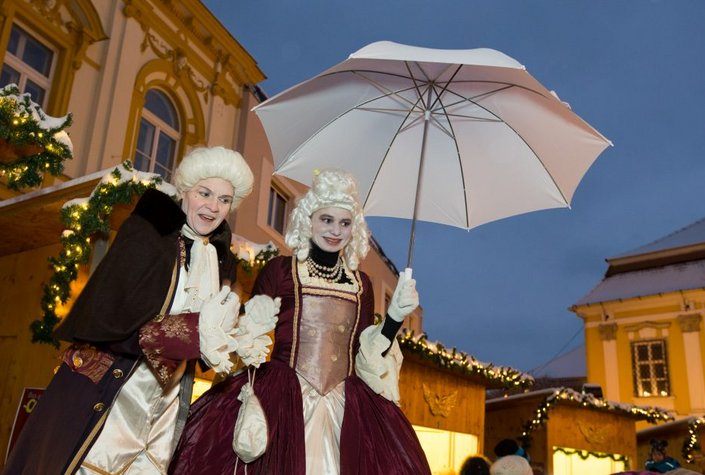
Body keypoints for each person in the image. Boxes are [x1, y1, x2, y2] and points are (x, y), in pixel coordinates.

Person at [4, 146, 259, 474]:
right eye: (205, 193)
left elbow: (204, 342)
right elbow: (108, 319)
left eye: (224, 200)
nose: (213, 207)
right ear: (185, 190)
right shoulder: (148, 232)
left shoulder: (220, 259)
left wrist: (230, 344)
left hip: (166, 402)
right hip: (116, 389)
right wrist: (191, 334)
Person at [169, 169, 431, 474]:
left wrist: (394, 319)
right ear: (309, 221)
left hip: (347, 405)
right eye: (327, 220)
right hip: (282, 400)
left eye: (344, 223)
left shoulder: (362, 283)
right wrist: (253, 321)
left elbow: (364, 358)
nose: (335, 230)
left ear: (353, 229)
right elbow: (246, 342)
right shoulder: (280, 270)